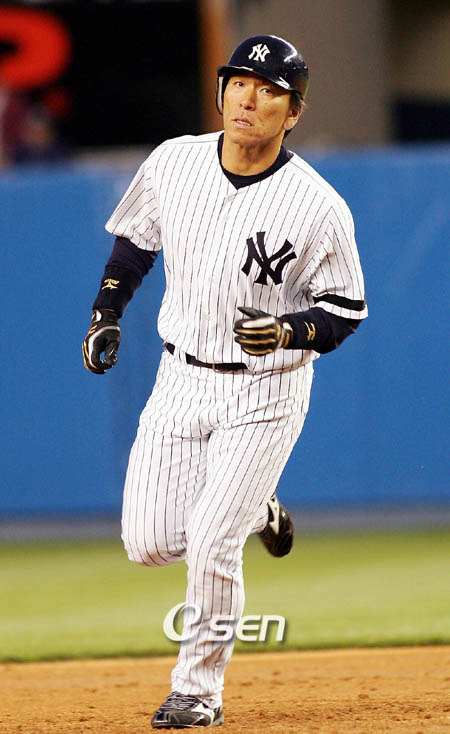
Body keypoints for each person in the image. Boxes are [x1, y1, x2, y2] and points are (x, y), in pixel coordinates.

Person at [82, 34, 367, 729]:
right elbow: (135, 241)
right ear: (221, 91)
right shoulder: (174, 161)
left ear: (292, 113)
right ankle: (258, 508)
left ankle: (197, 692)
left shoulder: (318, 204)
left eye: (270, 91)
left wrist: (291, 331)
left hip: (266, 391)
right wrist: (106, 312)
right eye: (240, 81)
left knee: (212, 540)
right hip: (179, 379)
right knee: (148, 544)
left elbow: (345, 309)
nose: (249, 98)